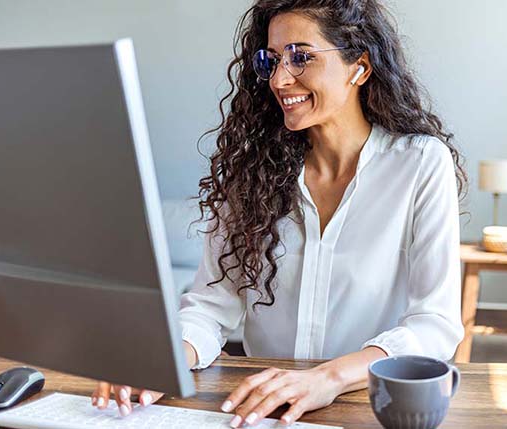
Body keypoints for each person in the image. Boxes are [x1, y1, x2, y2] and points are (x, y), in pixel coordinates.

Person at [90, 0, 466, 426]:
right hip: (263, 409)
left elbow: (435, 324)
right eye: (272, 60)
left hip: (368, 406)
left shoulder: (418, 164)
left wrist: (328, 378)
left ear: (358, 68)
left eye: (301, 56)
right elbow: (210, 306)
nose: (280, 79)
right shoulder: (253, 171)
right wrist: (163, 359)